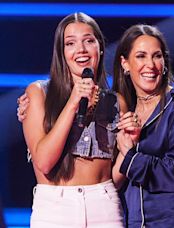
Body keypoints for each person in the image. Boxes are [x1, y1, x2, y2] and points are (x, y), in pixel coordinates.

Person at [20, 12, 124, 227]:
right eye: (70, 43)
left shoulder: (116, 102)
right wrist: (73, 102)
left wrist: (129, 146)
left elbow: (114, 177)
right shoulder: (38, 93)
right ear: (61, 52)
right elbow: (44, 162)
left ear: (100, 48)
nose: (81, 50)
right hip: (55, 207)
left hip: (104, 206)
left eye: (89, 41)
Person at [112, 24, 174, 227]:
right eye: (141, 56)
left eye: (156, 56)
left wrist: (132, 157)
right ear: (125, 63)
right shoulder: (124, 108)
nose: (150, 64)